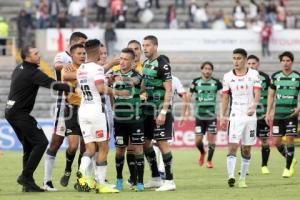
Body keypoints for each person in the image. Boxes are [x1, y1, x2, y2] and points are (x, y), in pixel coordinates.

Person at [5, 45, 74, 192]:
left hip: (11, 112)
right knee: (41, 142)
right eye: (36, 53)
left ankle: (27, 184)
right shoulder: (32, 73)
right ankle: (25, 176)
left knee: (29, 145)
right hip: (20, 113)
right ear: (27, 57)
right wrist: (74, 87)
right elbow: (53, 85)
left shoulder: (19, 68)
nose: (39, 55)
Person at [75, 39, 127, 193]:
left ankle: (83, 173)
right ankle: (101, 183)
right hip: (97, 111)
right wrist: (119, 92)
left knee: (90, 148)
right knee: (103, 147)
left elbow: (95, 77)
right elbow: (100, 88)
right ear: (97, 53)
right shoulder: (96, 69)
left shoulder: (81, 69)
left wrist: (109, 65)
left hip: (83, 111)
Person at [43, 31, 87, 191]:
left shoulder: (84, 59)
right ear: (73, 43)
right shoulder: (63, 56)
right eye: (82, 43)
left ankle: (81, 178)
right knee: (57, 141)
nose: (84, 47)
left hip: (84, 107)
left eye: (85, 45)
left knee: (85, 146)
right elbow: (57, 66)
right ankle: (47, 181)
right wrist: (70, 68)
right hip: (64, 105)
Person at [220, 48, 261, 188]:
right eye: (234, 58)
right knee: (232, 146)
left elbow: (257, 93)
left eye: (239, 58)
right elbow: (225, 97)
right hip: (235, 115)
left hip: (250, 115)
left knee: (246, 149)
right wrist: (222, 116)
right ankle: (231, 176)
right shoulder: (227, 76)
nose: (236, 61)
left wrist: (254, 106)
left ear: (245, 59)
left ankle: (242, 178)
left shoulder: (254, 74)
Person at [142, 35, 175, 191]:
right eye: (143, 45)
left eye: (147, 45)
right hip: (148, 109)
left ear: (155, 46)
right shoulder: (146, 63)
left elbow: (169, 89)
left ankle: (169, 181)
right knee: (145, 143)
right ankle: (155, 177)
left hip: (160, 109)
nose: (145, 48)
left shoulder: (163, 64)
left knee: (162, 143)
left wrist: (163, 112)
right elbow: (143, 85)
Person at [113, 48, 145, 192]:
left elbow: (134, 82)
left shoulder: (137, 76)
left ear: (133, 63)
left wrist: (122, 79)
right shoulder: (113, 75)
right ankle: (119, 179)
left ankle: (140, 181)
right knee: (120, 150)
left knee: (138, 149)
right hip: (119, 120)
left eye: (126, 59)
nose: (122, 61)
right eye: (121, 58)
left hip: (135, 119)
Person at [265, 51, 299, 178]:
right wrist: (268, 112)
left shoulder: (297, 77)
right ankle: (291, 159)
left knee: (290, 139)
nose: (285, 63)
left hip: (291, 114)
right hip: (278, 114)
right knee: (276, 142)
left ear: (292, 62)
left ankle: (287, 167)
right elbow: (271, 95)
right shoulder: (275, 76)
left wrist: (299, 108)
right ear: (280, 62)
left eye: (288, 61)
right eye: (283, 61)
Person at [59, 44, 86, 187]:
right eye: (79, 53)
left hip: (87, 109)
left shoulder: (88, 67)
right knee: (73, 146)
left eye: (84, 53)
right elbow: (66, 76)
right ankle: (68, 169)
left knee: (85, 148)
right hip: (72, 110)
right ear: (72, 55)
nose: (82, 56)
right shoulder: (67, 68)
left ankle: (79, 176)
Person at [188, 61, 222, 169]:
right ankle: (202, 152)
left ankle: (209, 161)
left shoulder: (216, 83)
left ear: (212, 71)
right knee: (198, 141)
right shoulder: (196, 82)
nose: (207, 71)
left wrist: (222, 113)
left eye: (209, 69)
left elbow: (223, 96)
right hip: (199, 116)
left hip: (211, 116)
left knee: (211, 139)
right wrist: (187, 109)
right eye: (205, 69)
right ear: (202, 70)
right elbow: (188, 96)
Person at [247, 55, 271, 174]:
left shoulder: (265, 77)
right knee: (246, 142)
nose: (251, 66)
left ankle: (264, 166)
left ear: (258, 64)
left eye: (253, 63)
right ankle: (245, 168)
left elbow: (272, 94)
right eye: (249, 63)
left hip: (261, 114)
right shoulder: (243, 77)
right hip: (248, 115)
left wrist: (269, 112)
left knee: (264, 141)